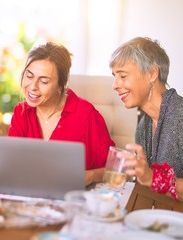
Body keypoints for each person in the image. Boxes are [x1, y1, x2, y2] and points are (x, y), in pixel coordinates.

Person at [110, 37, 183, 239]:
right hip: (163, 223)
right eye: (115, 76)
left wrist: (151, 177)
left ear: (151, 73)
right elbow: (147, 185)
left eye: (122, 76)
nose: (115, 85)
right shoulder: (145, 124)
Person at [8, 42, 115, 185]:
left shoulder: (87, 115)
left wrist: (90, 176)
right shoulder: (21, 112)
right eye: (29, 76)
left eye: (44, 81)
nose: (32, 87)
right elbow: (12, 162)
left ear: (60, 85)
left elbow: (114, 170)